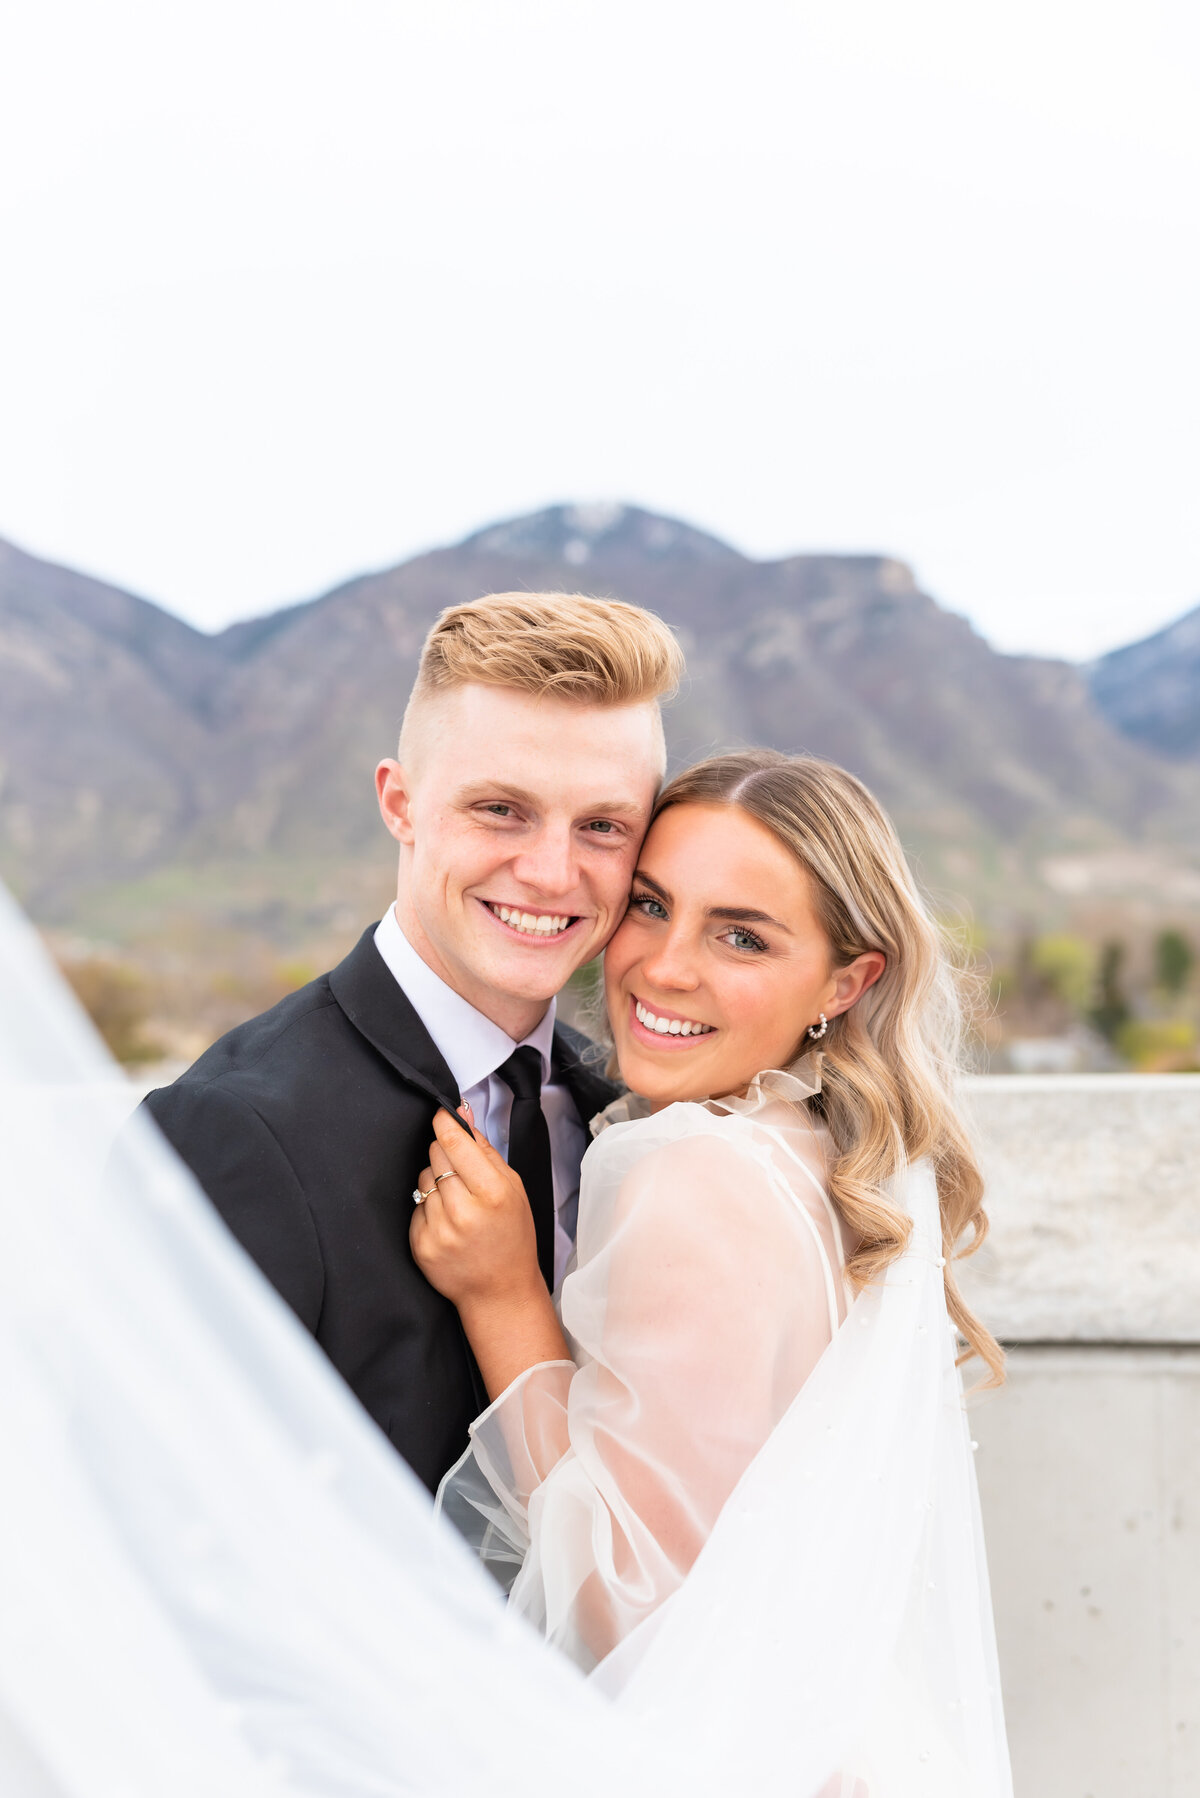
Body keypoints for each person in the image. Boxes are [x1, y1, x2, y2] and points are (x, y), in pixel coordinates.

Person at [410, 750, 1012, 1790]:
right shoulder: (826, 1150)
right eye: (650, 905)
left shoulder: (690, 1170)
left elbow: (625, 1606)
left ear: (847, 980)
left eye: (741, 935)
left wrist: (503, 1297)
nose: (663, 966)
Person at [140, 591, 683, 1491]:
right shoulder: (229, 1129)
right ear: (400, 803)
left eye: (602, 826)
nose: (552, 873)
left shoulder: (626, 1113)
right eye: (501, 810)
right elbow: (169, 1529)